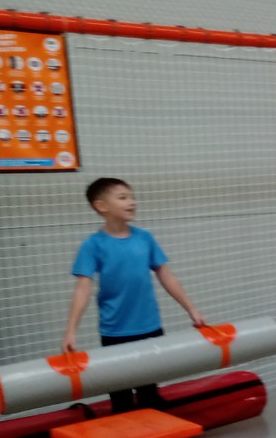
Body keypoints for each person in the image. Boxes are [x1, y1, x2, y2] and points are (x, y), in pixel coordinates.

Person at [63, 177, 205, 413]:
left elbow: (166, 275)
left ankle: (155, 429)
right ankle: (126, 431)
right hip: (115, 332)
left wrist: (192, 310)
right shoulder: (93, 245)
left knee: (149, 391)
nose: (132, 202)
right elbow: (83, 288)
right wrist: (71, 330)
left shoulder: (144, 238)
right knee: (121, 397)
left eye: (132, 197)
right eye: (123, 198)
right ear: (101, 206)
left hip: (150, 327)